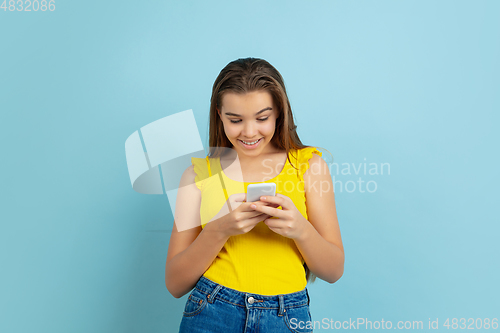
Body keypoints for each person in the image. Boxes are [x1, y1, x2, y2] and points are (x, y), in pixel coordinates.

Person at [165, 57, 344, 333]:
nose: (249, 132)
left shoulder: (309, 167)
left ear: (279, 113)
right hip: (211, 311)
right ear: (218, 114)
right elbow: (175, 284)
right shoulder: (197, 176)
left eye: (262, 118)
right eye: (235, 120)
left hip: (286, 317)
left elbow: (333, 271)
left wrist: (301, 230)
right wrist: (219, 229)